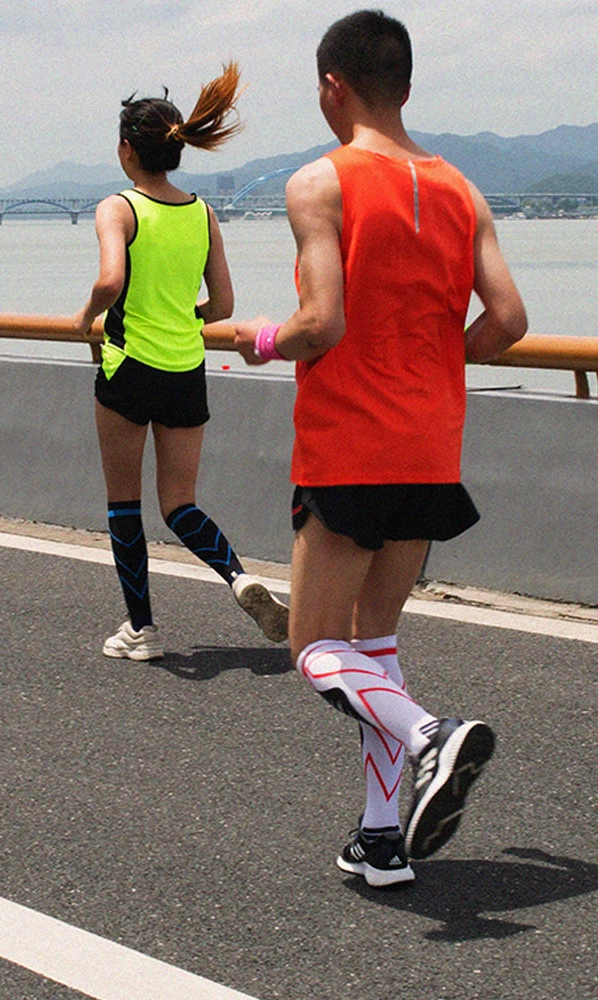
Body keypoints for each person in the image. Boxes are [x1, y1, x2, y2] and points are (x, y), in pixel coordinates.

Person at [234, 10, 527, 886]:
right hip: (431, 443)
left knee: (315, 647)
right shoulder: (462, 189)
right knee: (375, 643)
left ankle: (429, 732)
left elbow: (321, 323)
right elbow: (508, 320)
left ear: (333, 85)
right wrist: (433, 361)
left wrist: (257, 337)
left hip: (350, 442)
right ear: (406, 83)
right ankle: (380, 836)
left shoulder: (318, 183)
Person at [73, 63, 288, 662]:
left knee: (124, 505)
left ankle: (140, 631)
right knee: (179, 504)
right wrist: (184, 313)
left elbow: (110, 279)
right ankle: (239, 578)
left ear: (125, 150)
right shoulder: (201, 212)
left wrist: (83, 316)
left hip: (127, 366)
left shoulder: (119, 208)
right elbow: (223, 304)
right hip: (184, 371)